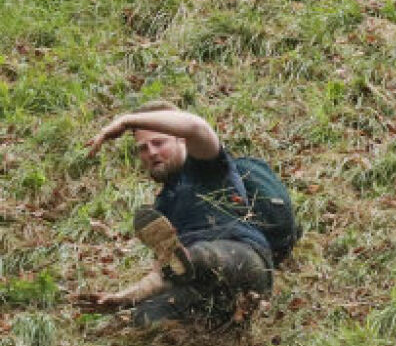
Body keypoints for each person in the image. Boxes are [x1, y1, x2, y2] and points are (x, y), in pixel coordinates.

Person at [75, 105, 275, 328]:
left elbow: (196, 127)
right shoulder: (161, 207)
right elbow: (163, 272)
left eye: (159, 143)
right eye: (143, 148)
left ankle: (191, 261)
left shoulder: (207, 164)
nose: (151, 153)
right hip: (208, 290)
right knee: (145, 317)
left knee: (200, 256)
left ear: (182, 140)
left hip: (246, 263)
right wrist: (124, 298)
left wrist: (126, 120)